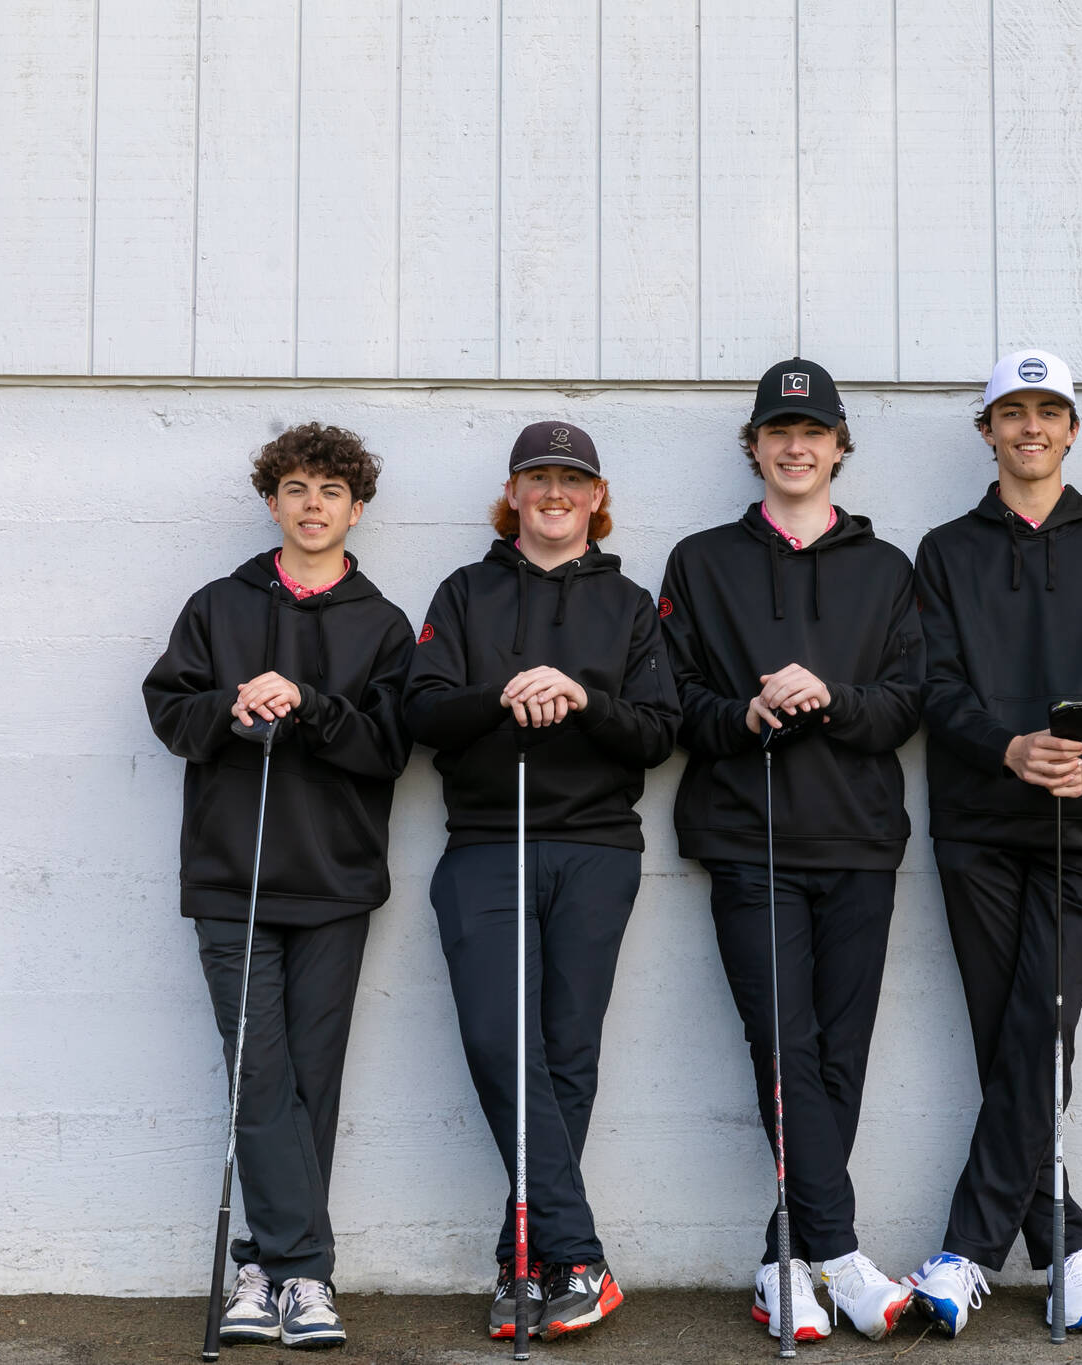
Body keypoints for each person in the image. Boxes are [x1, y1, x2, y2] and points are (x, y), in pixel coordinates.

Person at [902, 350, 1082, 1337]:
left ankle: (968, 1251)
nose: (1028, 428)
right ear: (987, 432)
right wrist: (1001, 745)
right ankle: (1067, 1252)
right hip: (975, 826)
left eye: (1046, 412)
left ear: (1068, 430)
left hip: (1080, 825)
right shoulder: (943, 549)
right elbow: (928, 680)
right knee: (1006, 1038)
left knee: (1034, 1031)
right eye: (1010, 413)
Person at [659, 358, 924, 1343]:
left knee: (838, 1058)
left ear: (838, 446)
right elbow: (674, 703)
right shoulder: (699, 561)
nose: (794, 445)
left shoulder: (886, 569)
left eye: (811, 432)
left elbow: (910, 699)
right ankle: (841, 1254)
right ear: (755, 447)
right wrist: (746, 711)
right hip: (748, 837)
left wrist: (836, 698)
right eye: (777, 431)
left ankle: (787, 1262)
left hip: (857, 839)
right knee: (784, 1048)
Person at [403, 422, 679, 1341]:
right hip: (486, 841)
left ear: (597, 498)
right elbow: (422, 711)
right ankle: (579, 1253)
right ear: (513, 493)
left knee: (566, 1056)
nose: (556, 493)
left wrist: (585, 700)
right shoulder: (465, 591)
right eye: (538, 478)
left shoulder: (632, 603)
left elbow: (656, 730)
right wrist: (503, 694)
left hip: (597, 848)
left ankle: (527, 1264)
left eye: (574, 479)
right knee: (499, 1040)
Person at [142, 422, 415, 1350]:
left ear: (356, 508)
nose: (311, 505)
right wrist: (231, 704)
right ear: (272, 501)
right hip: (232, 880)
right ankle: (305, 1273)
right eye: (295, 488)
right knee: (259, 1077)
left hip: (334, 883)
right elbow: (171, 712)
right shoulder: (218, 605)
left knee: (310, 1081)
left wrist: (311, 706)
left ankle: (263, 1270)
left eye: (330, 491)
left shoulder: (382, 623)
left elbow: (389, 748)